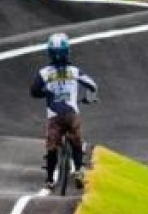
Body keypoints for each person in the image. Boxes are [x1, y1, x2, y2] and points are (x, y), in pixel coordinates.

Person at [30, 32, 98, 190]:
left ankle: (50, 179)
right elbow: (92, 85)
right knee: (76, 142)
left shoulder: (44, 73)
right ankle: (79, 170)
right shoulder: (74, 71)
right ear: (67, 51)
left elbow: (34, 91)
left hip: (54, 116)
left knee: (52, 146)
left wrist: (46, 93)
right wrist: (90, 98)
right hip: (71, 113)